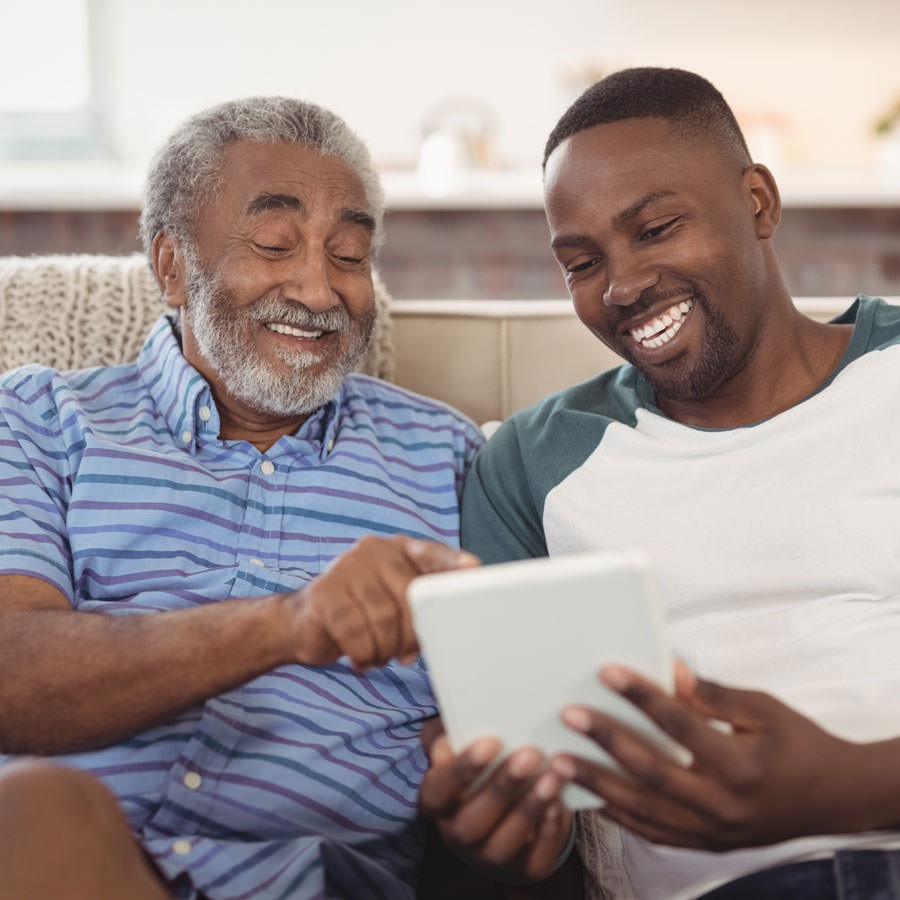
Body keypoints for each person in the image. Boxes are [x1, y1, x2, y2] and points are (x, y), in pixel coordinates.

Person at [419, 67, 900, 899]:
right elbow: (528, 815)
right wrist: (502, 838)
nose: (622, 286)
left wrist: (845, 787)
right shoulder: (531, 463)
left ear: (758, 202)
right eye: (582, 262)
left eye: (656, 229)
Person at [0, 96, 487, 900]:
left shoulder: (449, 457)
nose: (320, 291)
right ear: (171, 266)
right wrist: (288, 623)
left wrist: (473, 788)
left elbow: (479, 725)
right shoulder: (40, 420)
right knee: (38, 811)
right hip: (59, 862)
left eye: (350, 254)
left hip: (316, 883)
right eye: (273, 245)